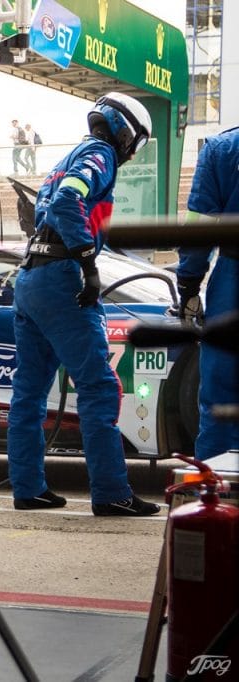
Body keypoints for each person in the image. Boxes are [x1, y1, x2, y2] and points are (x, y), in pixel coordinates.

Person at [7, 92, 160, 516]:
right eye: (137, 142)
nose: (133, 151)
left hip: (31, 278)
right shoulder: (100, 153)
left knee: (29, 392)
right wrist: (87, 261)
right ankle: (112, 493)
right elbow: (67, 202)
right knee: (97, 388)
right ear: (126, 130)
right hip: (61, 281)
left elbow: (49, 208)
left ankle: (28, 488)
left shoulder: (65, 159)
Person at [176, 126, 239, 460]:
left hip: (233, 276)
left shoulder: (222, 148)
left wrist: (188, 284)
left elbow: (200, 223)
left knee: (220, 397)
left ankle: (215, 501)